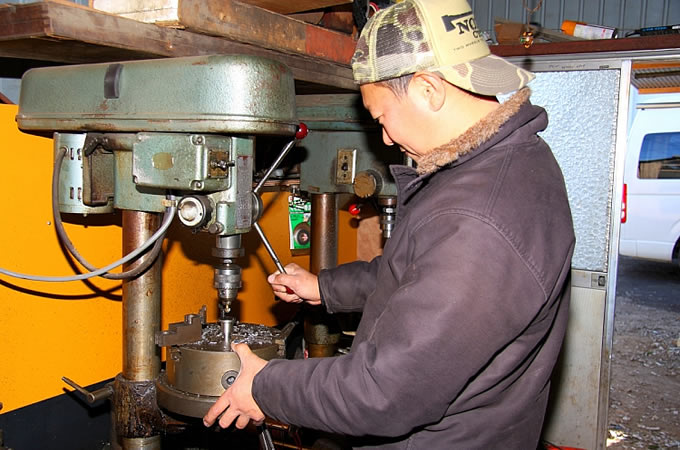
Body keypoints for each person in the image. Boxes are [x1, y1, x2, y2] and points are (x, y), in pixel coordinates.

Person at [204, 0, 575, 447]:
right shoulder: (510, 162)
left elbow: (383, 392)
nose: (385, 137)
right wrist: (326, 287)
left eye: (381, 117)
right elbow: (419, 271)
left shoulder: (477, 219)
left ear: (427, 90)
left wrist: (266, 387)